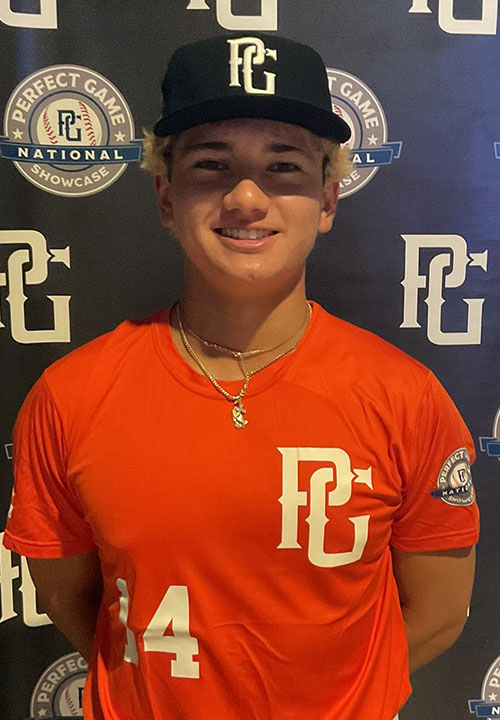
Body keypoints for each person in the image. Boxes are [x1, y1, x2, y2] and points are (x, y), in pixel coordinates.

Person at [3, 33, 479, 720]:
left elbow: (438, 611)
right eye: (212, 164)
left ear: (327, 199)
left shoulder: (407, 396)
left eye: (284, 165)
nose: (247, 197)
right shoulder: (69, 395)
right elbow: (70, 598)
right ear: (166, 195)